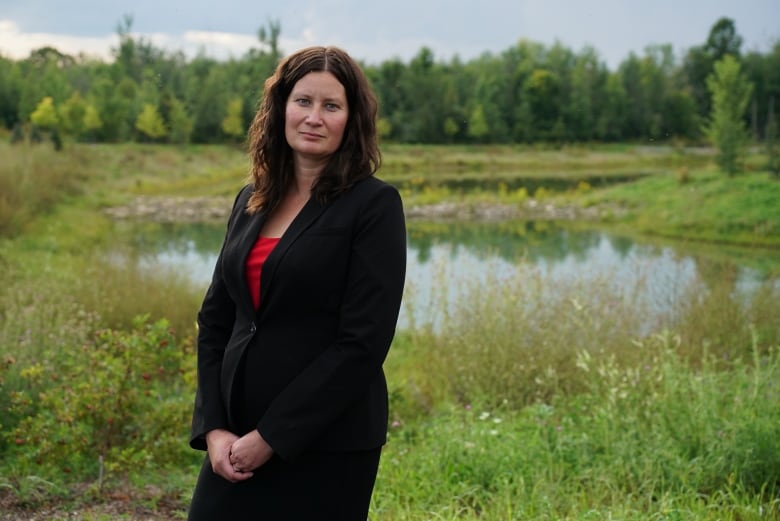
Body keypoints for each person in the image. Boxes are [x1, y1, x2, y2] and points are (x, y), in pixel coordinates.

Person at [187, 46, 406, 520]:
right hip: (234, 435)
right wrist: (214, 428)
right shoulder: (252, 198)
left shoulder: (374, 205)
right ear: (281, 107)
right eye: (303, 101)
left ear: (352, 119)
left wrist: (271, 438)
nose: (314, 117)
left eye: (331, 106)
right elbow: (217, 319)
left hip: (328, 443)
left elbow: (362, 342)